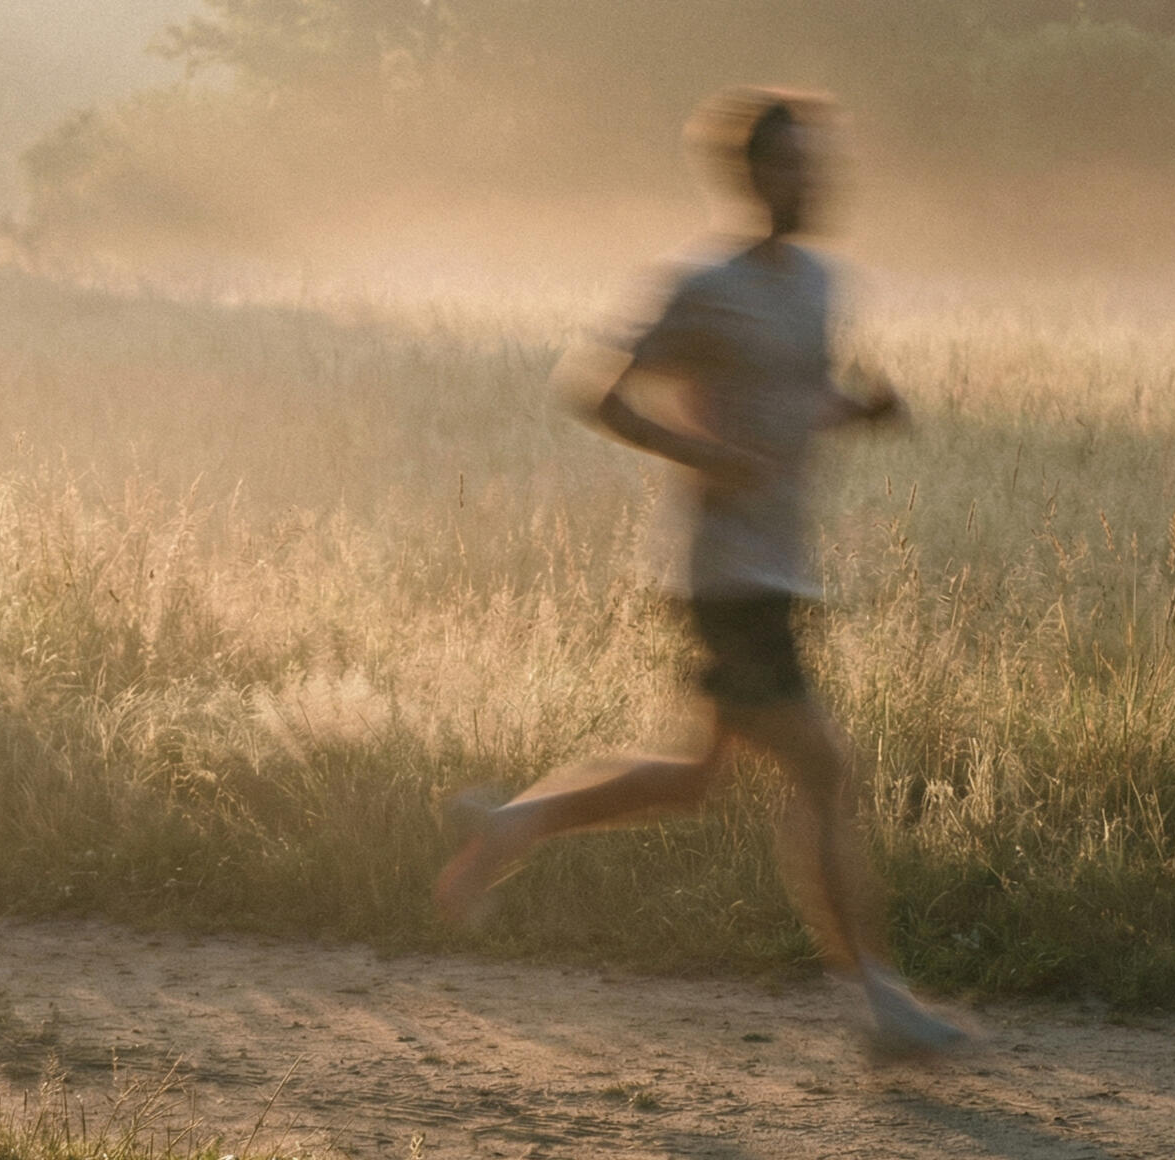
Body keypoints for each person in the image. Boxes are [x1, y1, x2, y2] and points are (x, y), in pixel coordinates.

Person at [434, 87, 967, 1057]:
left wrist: (858, 412)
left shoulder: (818, 282)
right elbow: (594, 389)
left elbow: (790, 402)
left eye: (819, 161)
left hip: (782, 568)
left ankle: (514, 823)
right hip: (724, 573)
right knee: (822, 767)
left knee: (692, 779)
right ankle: (878, 1000)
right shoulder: (703, 284)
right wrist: (701, 455)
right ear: (751, 175)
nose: (814, 178)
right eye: (794, 163)